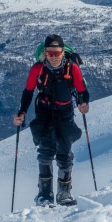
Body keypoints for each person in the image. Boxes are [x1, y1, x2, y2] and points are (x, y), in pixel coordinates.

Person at [13, 34, 89, 206]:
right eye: (50, 53)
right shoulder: (37, 69)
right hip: (45, 112)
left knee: (64, 152)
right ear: (45, 53)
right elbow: (27, 92)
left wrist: (84, 103)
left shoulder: (72, 68)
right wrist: (22, 112)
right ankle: (45, 195)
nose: (54, 57)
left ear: (63, 52)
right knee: (46, 151)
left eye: (57, 53)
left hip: (64, 112)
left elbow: (82, 90)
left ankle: (63, 194)